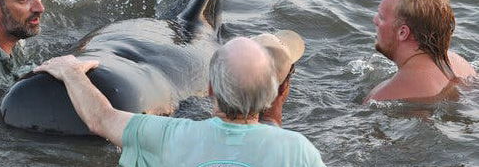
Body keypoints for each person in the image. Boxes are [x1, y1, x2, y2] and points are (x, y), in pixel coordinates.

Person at [35, 33, 326, 166]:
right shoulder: (298, 151)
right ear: (273, 93)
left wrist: (72, 72)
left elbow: (101, 118)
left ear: (210, 88)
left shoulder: (168, 136)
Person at [365, 0, 476, 103]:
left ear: (402, 33)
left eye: (381, 17)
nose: (374, 20)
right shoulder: (461, 65)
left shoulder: (383, 95)